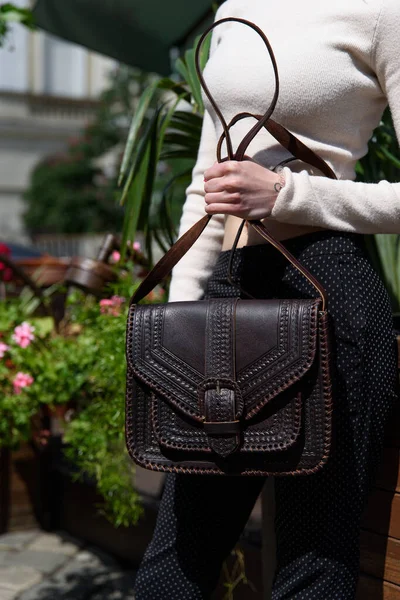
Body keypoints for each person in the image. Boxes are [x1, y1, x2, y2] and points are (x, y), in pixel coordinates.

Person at [134, 0, 400, 598]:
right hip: (227, 288)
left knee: (313, 565)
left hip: (329, 288)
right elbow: (209, 183)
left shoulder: (382, 12)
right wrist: (182, 314)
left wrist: (288, 193)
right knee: (171, 568)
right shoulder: (236, 9)